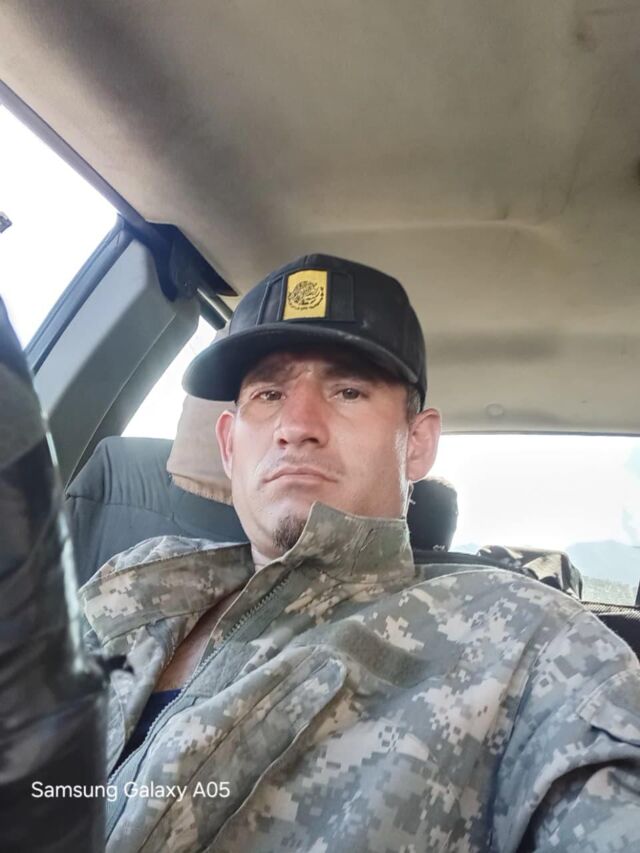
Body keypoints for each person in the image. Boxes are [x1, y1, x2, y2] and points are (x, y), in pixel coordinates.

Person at [79, 254, 640, 852]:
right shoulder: (131, 583)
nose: (296, 424)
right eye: (268, 393)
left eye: (348, 390)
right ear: (228, 445)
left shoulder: (532, 642)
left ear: (417, 444)